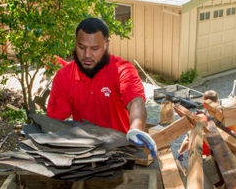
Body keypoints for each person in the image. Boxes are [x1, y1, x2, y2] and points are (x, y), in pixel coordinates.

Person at [47, 17, 157, 158]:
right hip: (84, 155)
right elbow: (54, 122)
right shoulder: (64, 77)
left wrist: (136, 129)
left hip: (121, 152)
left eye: (94, 48)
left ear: (106, 45)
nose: (87, 55)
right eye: (81, 47)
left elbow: (136, 101)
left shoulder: (122, 69)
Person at [177, 90, 219, 162]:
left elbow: (188, 138)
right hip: (217, 150)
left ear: (204, 103)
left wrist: (181, 152)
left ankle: (180, 154)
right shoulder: (222, 116)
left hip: (202, 149)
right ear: (217, 102)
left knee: (189, 137)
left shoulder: (200, 117)